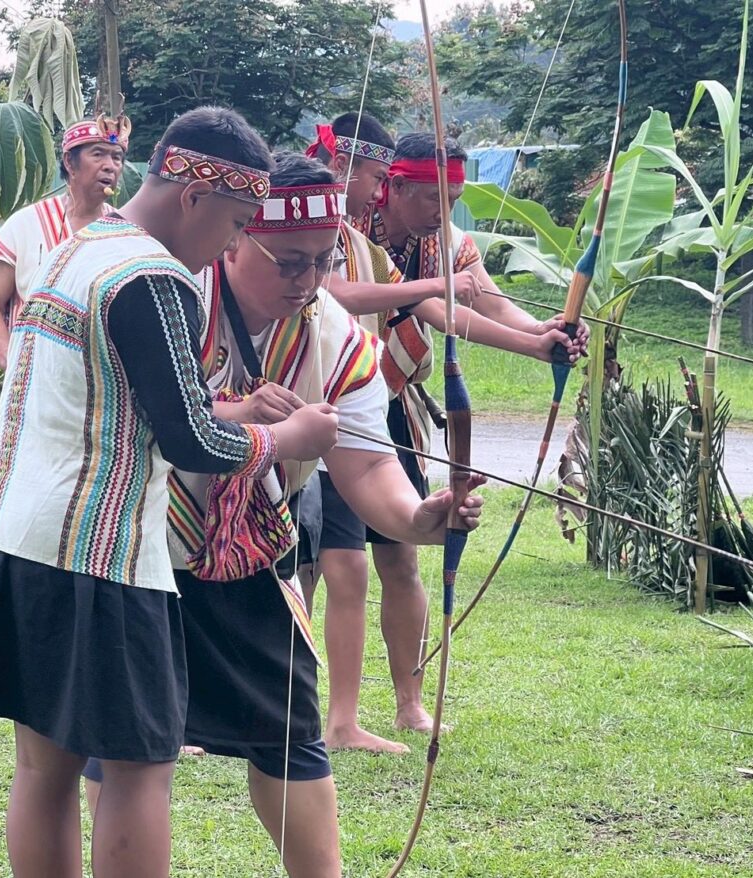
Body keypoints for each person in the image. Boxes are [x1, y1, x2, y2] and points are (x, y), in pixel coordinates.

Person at [0, 107, 339, 878]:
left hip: (14, 540)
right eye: (235, 222)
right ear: (193, 196)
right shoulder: (155, 278)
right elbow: (192, 440)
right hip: (103, 558)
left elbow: (116, 400)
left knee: (44, 768)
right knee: (139, 768)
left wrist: (238, 415)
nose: (230, 243)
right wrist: (286, 440)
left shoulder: (68, 250)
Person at [84, 153, 486, 878]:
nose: (307, 283)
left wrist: (422, 519)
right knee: (127, 748)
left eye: (323, 261)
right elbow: (132, 420)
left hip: (253, 550)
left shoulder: (337, 340)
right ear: (235, 239)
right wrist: (243, 421)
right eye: (289, 262)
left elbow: (367, 467)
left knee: (290, 729)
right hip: (138, 550)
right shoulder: (173, 296)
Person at [302, 119, 586, 752]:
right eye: (430, 196)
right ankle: (316, 710)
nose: (440, 210)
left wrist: (543, 334)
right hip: (326, 400)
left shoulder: (447, 242)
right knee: (323, 561)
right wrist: (525, 342)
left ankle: (409, 705)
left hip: (393, 403)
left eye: (451, 199)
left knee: (400, 555)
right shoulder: (348, 226)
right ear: (393, 188)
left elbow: (483, 301)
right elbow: (431, 306)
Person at [0, 110, 131, 368]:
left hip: (102, 386)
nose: (110, 165)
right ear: (70, 162)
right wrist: (13, 365)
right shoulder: (24, 225)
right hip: (33, 381)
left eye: (117, 157)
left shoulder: (123, 232)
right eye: (98, 154)